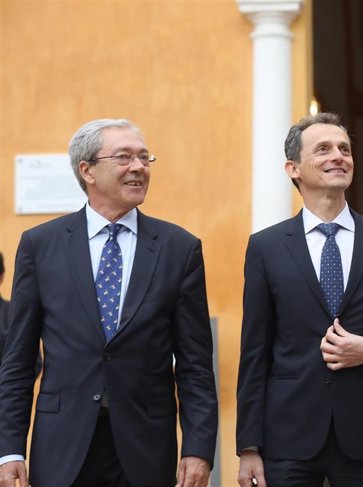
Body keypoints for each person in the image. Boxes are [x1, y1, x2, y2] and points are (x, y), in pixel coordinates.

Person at [0, 119, 218, 487]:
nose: (139, 167)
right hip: (62, 446)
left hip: (146, 446)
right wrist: (9, 449)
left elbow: (196, 365)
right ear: (87, 170)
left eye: (144, 158)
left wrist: (198, 448)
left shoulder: (179, 249)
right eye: (124, 157)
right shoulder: (40, 246)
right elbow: (18, 360)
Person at [236, 112, 363, 487]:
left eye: (345, 149)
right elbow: (254, 352)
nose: (338, 156)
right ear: (293, 168)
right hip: (288, 441)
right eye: (324, 149)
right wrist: (249, 445)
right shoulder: (265, 247)